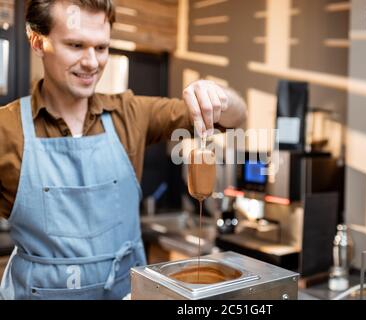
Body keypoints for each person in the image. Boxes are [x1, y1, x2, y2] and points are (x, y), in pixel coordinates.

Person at [0, 0, 246, 300]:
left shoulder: (130, 113)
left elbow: (236, 118)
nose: (92, 62)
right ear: (38, 42)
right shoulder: (6, 129)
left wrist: (218, 96)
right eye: (76, 45)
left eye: (101, 48)